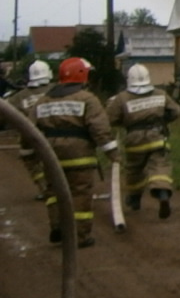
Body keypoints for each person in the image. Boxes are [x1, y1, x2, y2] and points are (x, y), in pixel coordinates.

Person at [26, 56, 120, 248]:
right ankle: (80, 236)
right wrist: (113, 153)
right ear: (82, 75)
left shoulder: (43, 100)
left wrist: (29, 154)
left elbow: (29, 129)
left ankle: (57, 226)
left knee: (54, 192)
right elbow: (99, 129)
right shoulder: (87, 99)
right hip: (79, 156)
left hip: (51, 155)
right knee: (80, 193)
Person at [106, 64, 180, 219]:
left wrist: (124, 122)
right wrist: (162, 121)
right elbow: (176, 111)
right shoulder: (160, 93)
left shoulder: (122, 98)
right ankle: (162, 194)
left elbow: (110, 119)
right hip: (157, 136)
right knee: (160, 166)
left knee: (134, 170)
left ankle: (134, 199)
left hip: (134, 140)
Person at [15, 60, 54, 200]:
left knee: (30, 160)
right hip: (54, 134)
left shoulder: (19, 96)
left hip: (29, 137)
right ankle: (60, 188)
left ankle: (44, 187)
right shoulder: (56, 90)